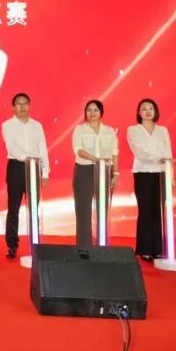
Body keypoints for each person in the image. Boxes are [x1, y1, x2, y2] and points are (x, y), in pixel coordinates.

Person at [0, 93, 50, 259]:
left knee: (34, 208)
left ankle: (35, 243)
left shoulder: (37, 126)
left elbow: (43, 148)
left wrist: (45, 171)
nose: (22, 107)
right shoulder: (7, 125)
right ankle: (12, 244)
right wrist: (26, 158)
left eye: (25, 103)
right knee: (13, 208)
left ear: (29, 105)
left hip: (35, 167)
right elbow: (11, 146)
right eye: (18, 104)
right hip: (16, 166)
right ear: (13, 107)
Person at [126, 98, 172, 261]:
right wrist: (159, 158)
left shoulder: (163, 130)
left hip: (161, 173)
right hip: (142, 172)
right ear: (139, 113)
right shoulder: (133, 130)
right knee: (145, 210)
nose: (148, 111)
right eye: (144, 109)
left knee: (158, 211)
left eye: (151, 108)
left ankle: (158, 249)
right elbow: (139, 152)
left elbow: (168, 152)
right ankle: (144, 249)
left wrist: (169, 172)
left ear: (155, 111)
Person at [71, 99, 120, 247]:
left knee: (102, 209)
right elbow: (78, 150)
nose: (92, 113)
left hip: (105, 170)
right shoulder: (79, 129)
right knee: (83, 209)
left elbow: (114, 153)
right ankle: (84, 247)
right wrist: (96, 159)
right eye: (89, 110)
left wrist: (115, 174)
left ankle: (101, 245)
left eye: (95, 110)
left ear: (101, 112)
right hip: (84, 170)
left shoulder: (109, 131)